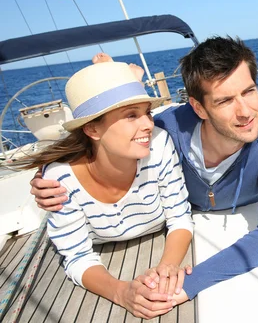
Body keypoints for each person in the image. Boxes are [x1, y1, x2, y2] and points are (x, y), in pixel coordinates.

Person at [31, 36, 258, 303]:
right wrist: (46, 173)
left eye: (249, 91)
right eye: (224, 101)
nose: (246, 112)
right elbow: (112, 138)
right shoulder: (167, 130)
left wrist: (189, 282)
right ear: (198, 107)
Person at [20, 62, 194, 319]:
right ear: (91, 129)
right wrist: (122, 293)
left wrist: (166, 268)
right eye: (131, 115)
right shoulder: (59, 179)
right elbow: (78, 256)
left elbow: (179, 217)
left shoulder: (159, 145)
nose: (148, 123)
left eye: (147, 112)